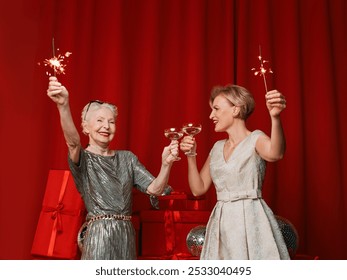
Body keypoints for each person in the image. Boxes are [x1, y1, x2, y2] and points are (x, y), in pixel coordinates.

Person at [47, 76, 179, 260]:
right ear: (85, 127)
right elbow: (73, 143)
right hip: (98, 235)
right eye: (99, 120)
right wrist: (63, 106)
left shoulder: (127, 158)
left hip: (126, 235)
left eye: (111, 121)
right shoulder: (83, 159)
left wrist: (166, 164)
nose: (106, 127)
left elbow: (155, 189)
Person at [180, 84, 290, 260]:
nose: (211, 116)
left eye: (216, 109)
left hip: (252, 218)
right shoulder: (217, 148)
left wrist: (275, 118)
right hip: (222, 221)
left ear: (236, 109)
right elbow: (198, 189)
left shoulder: (256, 138)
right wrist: (191, 155)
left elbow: (276, 153)